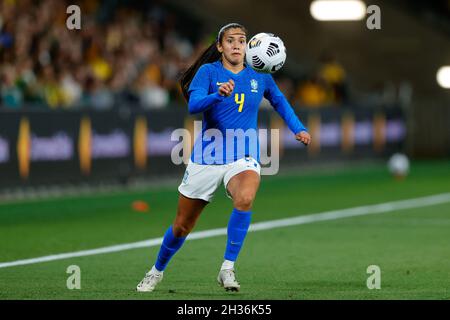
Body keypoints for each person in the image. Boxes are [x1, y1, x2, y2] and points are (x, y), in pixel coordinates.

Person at [136, 23, 311, 293]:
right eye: (230, 41)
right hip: (207, 156)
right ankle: (156, 271)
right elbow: (193, 106)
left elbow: (279, 101)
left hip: (243, 154)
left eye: (242, 40)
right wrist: (217, 94)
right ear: (220, 46)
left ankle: (227, 268)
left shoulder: (260, 73)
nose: (237, 45)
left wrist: (298, 128)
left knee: (245, 198)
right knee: (182, 225)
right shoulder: (208, 72)